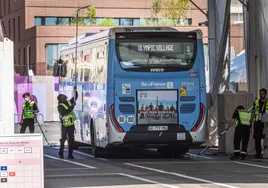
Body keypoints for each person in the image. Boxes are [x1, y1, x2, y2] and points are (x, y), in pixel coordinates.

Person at [57, 86, 78, 159]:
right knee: (63, 139)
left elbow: (74, 98)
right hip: (64, 125)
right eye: (63, 97)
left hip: (71, 125)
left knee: (71, 139)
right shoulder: (60, 106)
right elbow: (65, 112)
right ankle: (61, 152)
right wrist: (72, 107)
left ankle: (70, 154)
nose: (65, 98)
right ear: (60, 99)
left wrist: (75, 90)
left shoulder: (67, 103)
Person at [251, 88, 268, 159]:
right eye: (260, 93)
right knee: (257, 139)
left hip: (266, 124)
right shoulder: (256, 102)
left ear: (265, 94)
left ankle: (266, 152)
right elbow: (253, 112)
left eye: (263, 93)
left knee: (266, 139)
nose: (261, 95)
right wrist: (251, 120)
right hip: (258, 123)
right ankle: (258, 153)